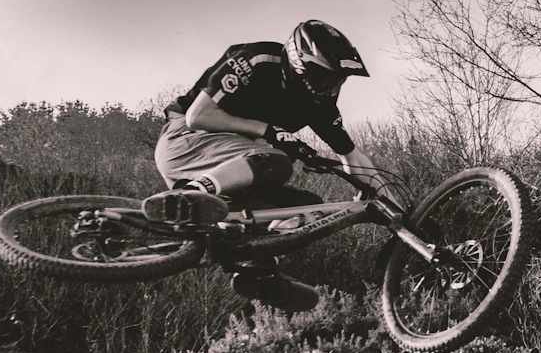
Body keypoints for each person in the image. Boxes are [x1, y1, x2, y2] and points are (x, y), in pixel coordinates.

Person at [146, 20, 379, 310]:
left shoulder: (318, 104)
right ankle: (193, 194)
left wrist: (401, 212)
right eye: (326, 78)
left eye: (338, 81)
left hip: (229, 168)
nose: (331, 89)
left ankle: (255, 268)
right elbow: (198, 115)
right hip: (187, 141)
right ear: (299, 65)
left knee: (307, 211)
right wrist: (266, 130)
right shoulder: (257, 60)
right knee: (275, 161)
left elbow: (353, 157)